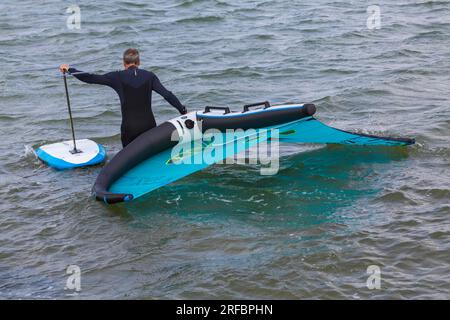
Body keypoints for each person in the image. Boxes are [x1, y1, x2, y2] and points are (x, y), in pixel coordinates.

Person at [59, 48, 187, 147]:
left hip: (129, 129)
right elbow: (167, 95)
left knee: (129, 158)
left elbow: (91, 78)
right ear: (139, 62)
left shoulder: (117, 77)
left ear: (124, 63)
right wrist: (183, 111)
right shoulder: (149, 76)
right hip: (149, 126)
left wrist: (70, 69)